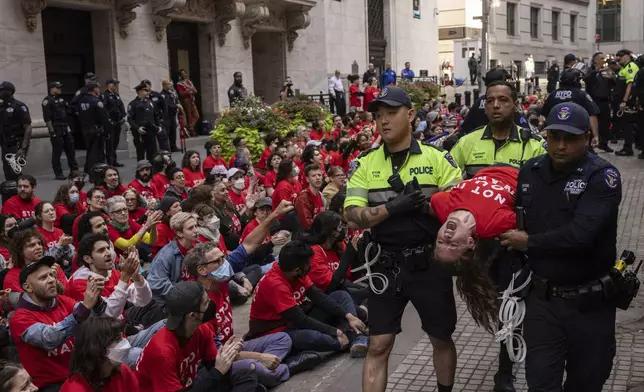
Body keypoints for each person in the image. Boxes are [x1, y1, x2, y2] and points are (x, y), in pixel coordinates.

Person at [344, 86, 463, 392]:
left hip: (429, 265)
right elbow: (352, 213)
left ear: (410, 115)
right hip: (385, 266)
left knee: (441, 337)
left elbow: (460, 209)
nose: (383, 121)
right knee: (378, 344)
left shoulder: (438, 159)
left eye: (391, 113)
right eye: (378, 115)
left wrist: (428, 207)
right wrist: (389, 208)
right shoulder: (365, 163)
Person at [499, 102, 621, 392]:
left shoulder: (602, 177)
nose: (561, 146)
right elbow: (517, 218)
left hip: (590, 303)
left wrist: (528, 242)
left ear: (587, 138)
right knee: (540, 382)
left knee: (587, 381)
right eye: (555, 137)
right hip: (543, 301)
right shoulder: (530, 170)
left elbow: (581, 235)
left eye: (570, 138)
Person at [183, 243, 292, 387]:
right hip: (219, 360)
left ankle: (264, 371)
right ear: (202, 270)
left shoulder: (220, 282)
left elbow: (248, 244)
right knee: (253, 366)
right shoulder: (199, 306)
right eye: (219, 261)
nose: (225, 264)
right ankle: (281, 368)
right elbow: (217, 356)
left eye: (224, 258)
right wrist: (260, 357)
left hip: (235, 347)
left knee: (283, 339)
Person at [248, 241, 367, 356]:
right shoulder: (275, 284)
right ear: (297, 270)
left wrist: (348, 315)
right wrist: (334, 331)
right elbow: (301, 320)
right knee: (319, 338)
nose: (311, 267)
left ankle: (353, 333)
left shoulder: (294, 272)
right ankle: (352, 337)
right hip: (279, 331)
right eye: (308, 265)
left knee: (341, 296)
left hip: (298, 318)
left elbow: (320, 298)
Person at [135, 281, 259, 391]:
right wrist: (219, 371)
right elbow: (216, 373)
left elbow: (218, 373)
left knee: (247, 377)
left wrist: (225, 358)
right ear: (192, 315)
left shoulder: (201, 329)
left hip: (190, 384)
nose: (210, 303)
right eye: (206, 302)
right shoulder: (162, 352)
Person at [9, 255, 105, 390]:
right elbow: (49, 338)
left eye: (51, 275)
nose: (51, 280)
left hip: (81, 373)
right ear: (28, 287)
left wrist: (96, 301)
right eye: (43, 278)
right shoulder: (19, 319)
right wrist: (85, 307)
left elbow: (93, 320)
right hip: (52, 385)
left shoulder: (62, 300)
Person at [450, 81, 546, 178]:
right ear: (486, 108)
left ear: (516, 106)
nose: (495, 105)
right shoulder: (466, 143)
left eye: (503, 100)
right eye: (490, 101)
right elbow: (450, 182)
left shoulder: (536, 146)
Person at [62, 316, 139, 391]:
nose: (125, 343)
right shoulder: (75, 389)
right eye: (118, 339)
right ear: (97, 348)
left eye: (122, 337)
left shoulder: (124, 371)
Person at [541, 68, 600, 147]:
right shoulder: (582, 94)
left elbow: (544, 115)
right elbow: (592, 115)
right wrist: (595, 135)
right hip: (575, 133)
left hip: (555, 133)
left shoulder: (553, 94)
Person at [459, 68, 526, 136]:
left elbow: (465, 129)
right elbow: (524, 128)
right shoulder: (511, 103)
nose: (495, 105)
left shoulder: (478, 102)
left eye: (502, 100)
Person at [4, 228, 69, 292]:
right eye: (32, 245)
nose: (38, 247)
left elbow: (67, 293)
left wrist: (55, 280)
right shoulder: (12, 277)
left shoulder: (54, 267)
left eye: (39, 243)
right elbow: (24, 301)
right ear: (20, 251)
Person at [42, 81, 79, 180]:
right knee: (57, 151)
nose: (59, 89)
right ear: (52, 89)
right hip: (56, 127)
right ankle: (58, 173)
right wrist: (52, 131)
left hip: (65, 126)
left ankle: (74, 170)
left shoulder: (62, 99)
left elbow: (69, 110)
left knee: (70, 149)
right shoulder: (47, 101)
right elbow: (47, 118)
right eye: (57, 88)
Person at [0, 81, 33, 181]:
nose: (0, 92)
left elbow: (28, 127)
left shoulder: (19, 106)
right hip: (5, 145)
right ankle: (11, 195)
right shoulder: (1, 107)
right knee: (7, 172)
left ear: (9, 92)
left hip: (17, 145)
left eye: (2, 90)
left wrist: (23, 148)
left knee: (15, 172)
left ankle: (22, 193)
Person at [584, 52, 616, 153]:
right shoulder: (590, 70)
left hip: (605, 100)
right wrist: (596, 72)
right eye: (601, 58)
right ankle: (590, 145)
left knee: (605, 123)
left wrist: (612, 78)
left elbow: (614, 84)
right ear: (595, 60)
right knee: (592, 124)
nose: (603, 60)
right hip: (593, 100)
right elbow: (586, 80)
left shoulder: (607, 70)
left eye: (604, 58)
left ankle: (604, 143)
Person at [77, 81, 109, 173]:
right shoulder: (96, 101)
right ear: (94, 89)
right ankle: (95, 171)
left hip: (85, 129)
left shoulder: (81, 100)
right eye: (97, 88)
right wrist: (107, 131)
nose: (99, 90)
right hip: (96, 130)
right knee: (97, 153)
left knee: (90, 150)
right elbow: (104, 118)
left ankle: (87, 169)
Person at [614, 49, 640, 157]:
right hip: (622, 101)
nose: (618, 58)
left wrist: (625, 101)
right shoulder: (624, 68)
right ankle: (627, 146)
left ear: (627, 56)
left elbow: (630, 85)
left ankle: (628, 148)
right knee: (625, 125)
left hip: (628, 102)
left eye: (620, 56)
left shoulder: (631, 67)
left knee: (628, 125)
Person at [35, 201, 74, 271]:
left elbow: (70, 255)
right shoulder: (37, 234)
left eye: (52, 210)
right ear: (39, 217)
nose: (51, 213)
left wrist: (69, 246)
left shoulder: (60, 231)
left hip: (65, 268)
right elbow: (45, 259)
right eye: (47, 211)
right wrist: (60, 245)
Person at [128, 83, 161, 162]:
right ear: (139, 92)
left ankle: (153, 171)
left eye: (148, 90)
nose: (148, 92)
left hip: (151, 132)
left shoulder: (149, 102)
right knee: (141, 154)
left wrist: (159, 126)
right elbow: (130, 119)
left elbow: (155, 116)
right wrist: (137, 128)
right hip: (140, 133)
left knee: (153, 154)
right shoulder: (133, 104)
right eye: (145, 90)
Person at [102, 79, 127, 167]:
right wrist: (108, 120)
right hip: (110, 123)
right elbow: (104, 109)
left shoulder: (116, 95)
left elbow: (121, 105)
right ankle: (110, 162)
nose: (115, 86)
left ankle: (114, 160)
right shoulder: (105, 95)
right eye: (114, 84)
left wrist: (123, 115)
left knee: (116, 141)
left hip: (118, 121)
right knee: (110, 142)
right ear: (109, 85)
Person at [142, 80, 170, 152]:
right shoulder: (142, 97)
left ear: (150, 86)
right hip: (149, 121)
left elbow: (164, 106)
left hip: (159, 120)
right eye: (143, 86)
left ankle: (166, 153)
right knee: (151, 141)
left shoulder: (156, 95)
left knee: (163, 137)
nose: (145, 88)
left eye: (146, 86)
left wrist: (163, 117)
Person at [294, 164, 325, 230]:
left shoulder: (321, 196)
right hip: (307, 236)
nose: (317, 178)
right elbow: (308, 225)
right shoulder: (303, 198)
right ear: (307, 179)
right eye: (313, 176)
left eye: (319, 175)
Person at [161, 79, 183, 152]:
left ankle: (173, 146)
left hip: (173, 115)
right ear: (164, 85)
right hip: (166, 116)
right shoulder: (162, 95)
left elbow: (175, 100)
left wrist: (177, 106)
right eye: (169, 84)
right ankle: (166, 148)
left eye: (170, 84)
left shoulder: (171, 93)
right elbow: (167, 105)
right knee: (167, 132)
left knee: (173, 132)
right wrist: (176, 106)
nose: (171, 86)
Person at [176, 69, 200, 135]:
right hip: (186, 101)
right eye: (182, 74)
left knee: (196, 115)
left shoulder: (189, 82)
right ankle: (191, 131)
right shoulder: (179, 84)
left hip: (192, 100)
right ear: (180, 75)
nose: (184, 75)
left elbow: (195, 91)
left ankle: (190, 128)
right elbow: (181, 94)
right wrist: (188, 90)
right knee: (189, 115)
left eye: (184, 73)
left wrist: (192, 90)